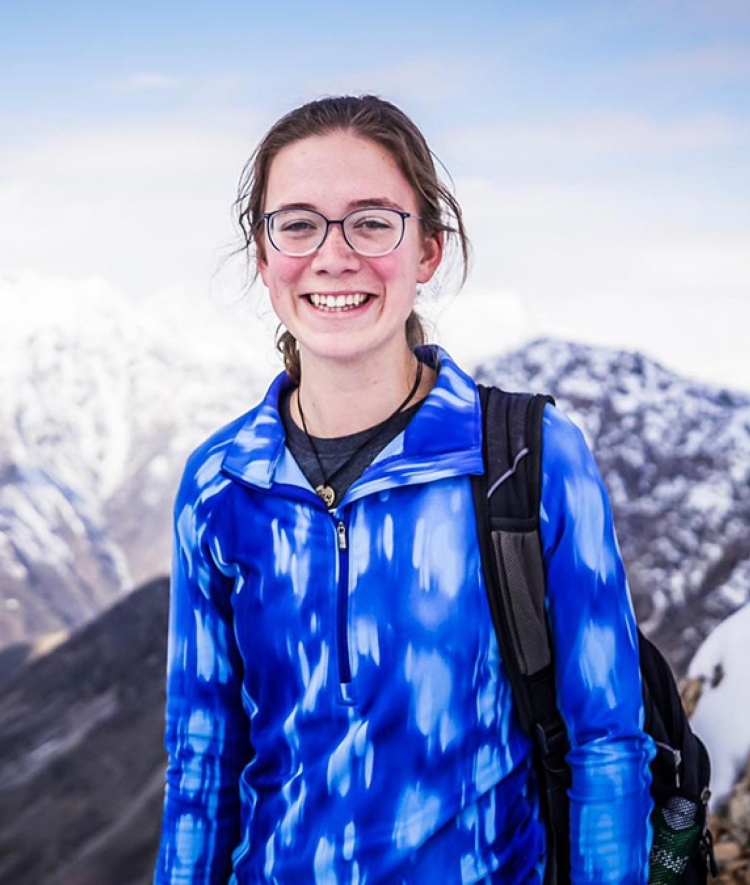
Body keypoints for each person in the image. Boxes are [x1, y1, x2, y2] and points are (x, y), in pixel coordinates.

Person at [154, 94, 654, 884]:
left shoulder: (528, 459)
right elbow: (201, 766)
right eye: (299, 223)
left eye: (372, 221)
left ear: (427, 251)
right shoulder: (221, 485)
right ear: (263, 255)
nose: (334, 255)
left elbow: (608, 746)